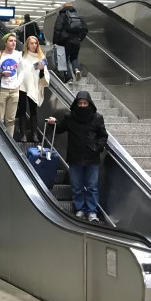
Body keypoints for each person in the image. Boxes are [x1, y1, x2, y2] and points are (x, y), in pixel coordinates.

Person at [47, 92, 108, 221]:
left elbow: (103, 136)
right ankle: (80, 209)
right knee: (77, 187)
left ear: (89, 104)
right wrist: (53, 123)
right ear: (76, 104)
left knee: (92, 187)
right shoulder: (70, 117)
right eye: (80, 103)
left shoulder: (97, 118)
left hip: (92, 158)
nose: (82, 106)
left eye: (84, 103)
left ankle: (92, 212)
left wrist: (97, 148)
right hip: (75, 157)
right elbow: (60, 128)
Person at [0, 33, 23, 137]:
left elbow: (21, 72)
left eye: (15, 41)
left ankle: (10, 141)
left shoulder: (18, 55)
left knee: (11, 119)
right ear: (5, 43)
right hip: (1, 89)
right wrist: (1, 73)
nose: (13, 43)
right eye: (11, 41)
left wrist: (17, 84)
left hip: (14, 90)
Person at [15, 35, 49, 143]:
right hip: (22, 87)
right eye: (31, 43)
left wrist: (42, 70)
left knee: (33, 111)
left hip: (34, 87)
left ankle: (35, 135)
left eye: (35, 43)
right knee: (22, 111)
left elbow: (43, 76)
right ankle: (23, 135)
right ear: (27, 44)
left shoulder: (41, 58)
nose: (34, 45)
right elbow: (19, 71)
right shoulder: (22, 57)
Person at [52, 2, 88, 83]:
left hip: (65, 41)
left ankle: (69, 78)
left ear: (63, 7)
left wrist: (55, 41)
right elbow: (85, 28)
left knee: (64, 59)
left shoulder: (62, 15)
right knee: (74, 58)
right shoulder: (79, 15)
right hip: (76, 40)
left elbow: (57, 28)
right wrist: (80, 38)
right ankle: (77, 70)